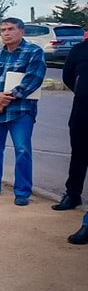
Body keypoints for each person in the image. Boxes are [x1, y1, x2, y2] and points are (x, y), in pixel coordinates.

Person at [0, 18, 47, 206]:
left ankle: (22, 191)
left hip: (21, 110)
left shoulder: (33, 52)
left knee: (22, 150)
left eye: (11, 29)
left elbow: (33, 79)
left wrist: (4, 99)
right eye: (3, 29)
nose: (6, 33)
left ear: (21, 31)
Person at [56, 37, 88, 215]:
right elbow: (68, 76)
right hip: (82, 111)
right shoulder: (79, 49)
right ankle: (73, 194)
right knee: (78, 154)